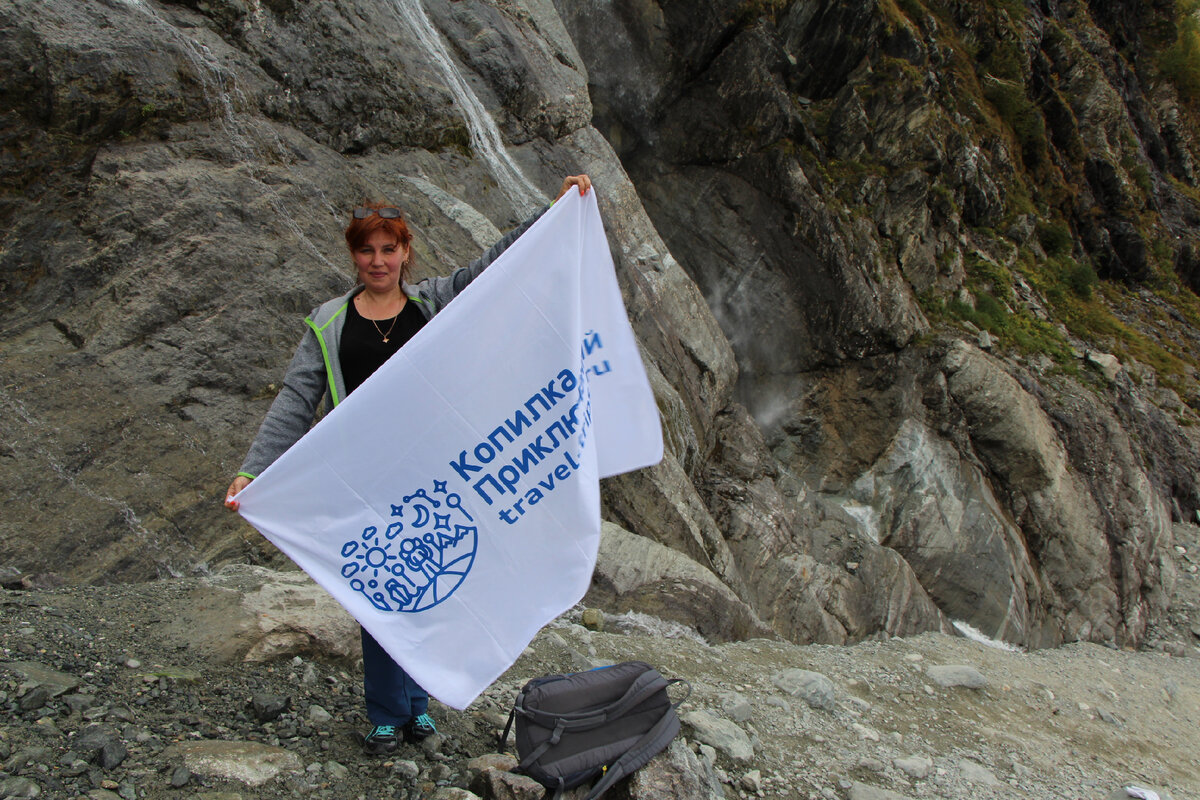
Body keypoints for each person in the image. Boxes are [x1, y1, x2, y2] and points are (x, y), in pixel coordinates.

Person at [225, 174, 593, 755]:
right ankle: (385, 712)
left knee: (430, 582)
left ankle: (418, 702)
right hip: (365, 482)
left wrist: (552, 212)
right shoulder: (328, 322)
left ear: (405, 252)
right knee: (378, 592)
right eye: (367, 250)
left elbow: (494, 265)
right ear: (353, 255)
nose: (378, 261)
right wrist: (253, 471)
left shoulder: (432, 301)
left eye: (388, 249)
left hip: (431, 475)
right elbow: (296, 399)